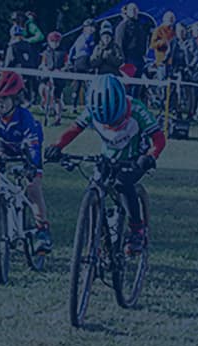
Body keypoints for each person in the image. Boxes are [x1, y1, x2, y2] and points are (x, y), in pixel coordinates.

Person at [45, 74, 167, 255]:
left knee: (123, 184)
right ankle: (99, 238)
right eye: (106, 124)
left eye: (116, 122)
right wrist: (57, 146)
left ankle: (136, 229)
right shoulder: (92, 110)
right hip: (108, 157)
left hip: (135, 157)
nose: (112, 127)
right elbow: (73, 129)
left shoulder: (137, 109)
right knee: (95, 185)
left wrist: (151, 156)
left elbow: (159, 138)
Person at [0, 70, 50, 253]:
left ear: (15, 99)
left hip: (27, 151)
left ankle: (43, 230)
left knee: (33, 189)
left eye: (3, 99)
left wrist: (33, 166)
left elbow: (32, 145)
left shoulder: (25, 117)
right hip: (5, 148)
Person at [114, 2, 149, 76]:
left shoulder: (140, 26)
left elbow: (143, 41)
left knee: (139, 84)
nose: (134, 11)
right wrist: (122, 60)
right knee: (129, 83)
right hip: (128, 59)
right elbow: (119, 44)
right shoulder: (123, 26)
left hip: (139, 59)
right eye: (131, 9)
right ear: (127, 12)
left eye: (135, 9)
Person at [149, 11, 176, 79]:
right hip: (161, 61)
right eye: (169, 19)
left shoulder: (174, 31)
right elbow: (152, 44)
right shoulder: (158, 30)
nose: (171, 21)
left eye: (172, 19)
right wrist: (162, 43)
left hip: (172, 62)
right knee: (162, 81)